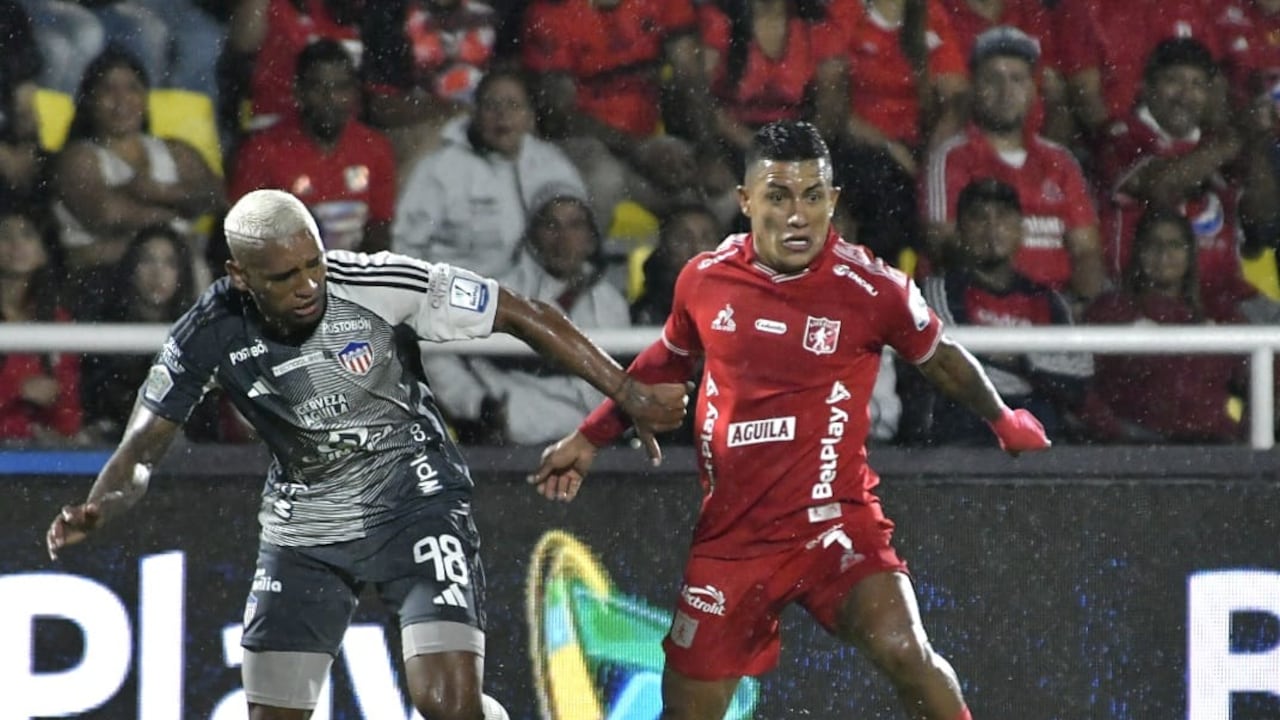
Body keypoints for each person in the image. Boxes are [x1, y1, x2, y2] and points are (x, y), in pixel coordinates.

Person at [45, 188, 689, 720]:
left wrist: (626, 389)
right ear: (239, 276)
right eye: (283, 276)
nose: (308, 286)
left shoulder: (377, 281)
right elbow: (140, 451)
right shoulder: (204, 336)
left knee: (443, 704)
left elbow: (521, 313)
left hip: (415, 498)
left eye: (313, 265)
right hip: (306, 527)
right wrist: (98, 506)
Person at [532, 121, 1050, 720]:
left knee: (904, 647)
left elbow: (943, 358)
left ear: (832, 201)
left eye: (812, 196)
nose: (797, 214)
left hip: (835, 525)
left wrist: (1002, 417)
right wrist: (591, 435)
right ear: (746, 200)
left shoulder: (873, 286)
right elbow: (663, 363)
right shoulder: (704, 279)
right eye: (778, 196)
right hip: (732, 541)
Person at [424, 186, 632, 446]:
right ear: (532, 236)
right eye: (551, 226)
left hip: (598, 446)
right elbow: (432, 348)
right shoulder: (499, 293)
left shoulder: (611, 301)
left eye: (575, 226)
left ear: (591, 238)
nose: (563, 239)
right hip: (517, 444)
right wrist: (477, 404)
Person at [924, 25, 1104, 305]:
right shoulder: (952, 158)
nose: (1005, 91)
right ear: (974, 88)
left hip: (1054, 310)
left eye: (1017, 79)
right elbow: (942, 243)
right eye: (993, 79)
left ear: (1034, 90)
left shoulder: (1060, 160)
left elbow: (1086, 250)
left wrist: (1081, 309)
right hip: (980, 308)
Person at [918, 178, 1091, 445]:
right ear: (960, 231)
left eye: (1002, 217)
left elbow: (1079, 373)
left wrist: (1021, 359)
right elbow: (954, 359)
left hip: (1039, 426)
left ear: (1020, 230)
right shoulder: (937, 289)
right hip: (966, 431)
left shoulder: (1049, 299)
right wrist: (1037, 374)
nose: (992, 228)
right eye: (979, 218)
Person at [230, 38, 396, 253]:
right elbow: (243, 231)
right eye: (318, 88)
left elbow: (380, 226)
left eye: (341, 87)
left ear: (355, 93)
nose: (331, 98)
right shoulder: (263, 150)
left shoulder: (374, 147)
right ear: (299, 92)